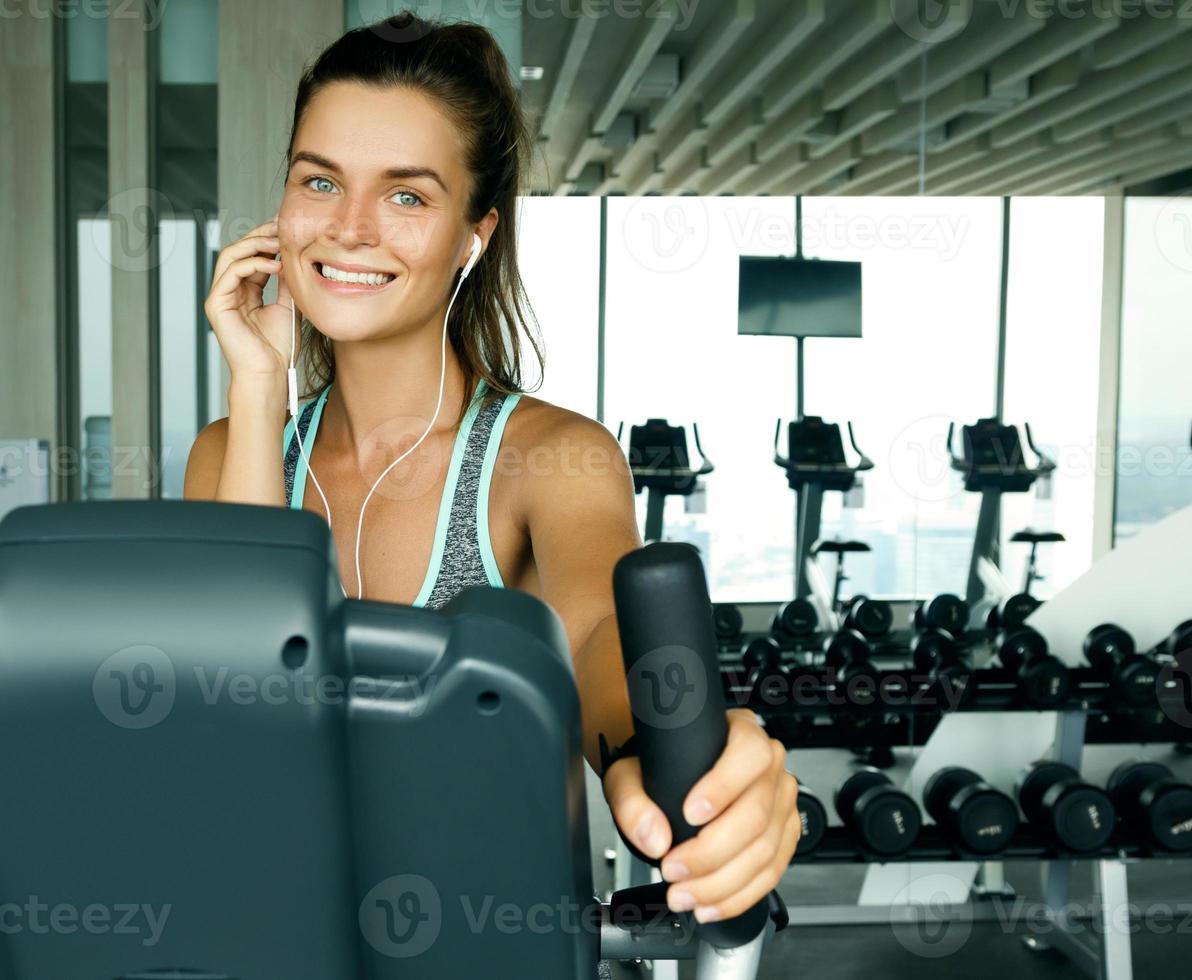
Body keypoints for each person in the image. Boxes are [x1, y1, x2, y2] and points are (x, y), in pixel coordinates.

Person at [184, 10, 797, 928]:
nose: (348, 230)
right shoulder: (226, 450)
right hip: (270, 927)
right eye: (320, 181)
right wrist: (261, 384)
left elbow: (598, 637)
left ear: (473, 235)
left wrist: (679, 759)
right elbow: (235, 718)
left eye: (406, 196)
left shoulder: (549, 459)